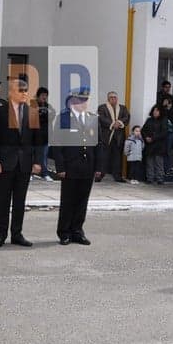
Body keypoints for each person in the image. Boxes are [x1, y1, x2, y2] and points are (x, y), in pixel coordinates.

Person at [0, 77, 41, 247]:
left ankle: (17, 234)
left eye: (26, 91)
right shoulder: (0, 110)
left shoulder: (32, 110)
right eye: (21, 91)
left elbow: (36, 140)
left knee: (20, 201)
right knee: (2, 201)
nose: (25, 94)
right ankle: (0, 235)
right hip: (5, 163)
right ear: (12, 92)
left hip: (24, 163)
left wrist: (37, 161)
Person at [51, 88, 103, 245]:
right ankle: (64, 232)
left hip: (87, 167)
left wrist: (99, 167)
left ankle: (77, 231)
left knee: (82, 201)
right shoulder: (64, 118)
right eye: (81, 100)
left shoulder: (93, 118)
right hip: (70, 167)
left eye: (86, 100)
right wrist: (60, 168)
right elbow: (57, 144)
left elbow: (99, 144)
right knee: (68, 201)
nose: (84, 103)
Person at [97, 91, 130, 182]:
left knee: (117, 157)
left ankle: (117, 176)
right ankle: (100, 175)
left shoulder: (123, 108)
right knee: (104, 157)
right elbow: (101, 118)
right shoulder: (102, 107)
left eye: (115, 97)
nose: (113, 99)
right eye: (111, 97)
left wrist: (118, 123)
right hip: (106, 136)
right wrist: (112, 124)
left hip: (118, 137)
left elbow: (126, 117)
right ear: (108, 99)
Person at [142, 105, 168, 185]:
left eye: (157, 110)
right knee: (149, 162)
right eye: (154, 110)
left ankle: (160, 178)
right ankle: (150, 178)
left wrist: (153, 138)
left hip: (159, 145)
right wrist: (146, 137)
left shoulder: (164, 120)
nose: (155, 112)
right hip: (149, 145)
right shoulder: (149, 120)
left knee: (158, 162)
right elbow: (143, 130)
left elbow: (164, 133)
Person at [34, 87, 55, 181]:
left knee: (44, 155)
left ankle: (45, 173)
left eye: (46, 95)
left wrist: (43, 114)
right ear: (38, 96)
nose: (44, 97)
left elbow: (52, 115)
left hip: (45, 136)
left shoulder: (48, 106)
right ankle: (32, 173)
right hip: (34, 136)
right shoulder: (32, 105)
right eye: (42, 95)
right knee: (34, 155)